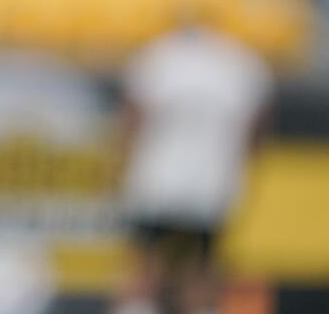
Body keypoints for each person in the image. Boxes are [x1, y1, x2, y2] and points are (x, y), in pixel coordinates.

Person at [110, 17, 271, 314]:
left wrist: (118, 165)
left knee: (146, 261)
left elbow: (132, 119)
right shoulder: (242, 64)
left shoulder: (157, 57)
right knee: (201, 264)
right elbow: (255, 133)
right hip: (212, 182)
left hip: (157, 178)